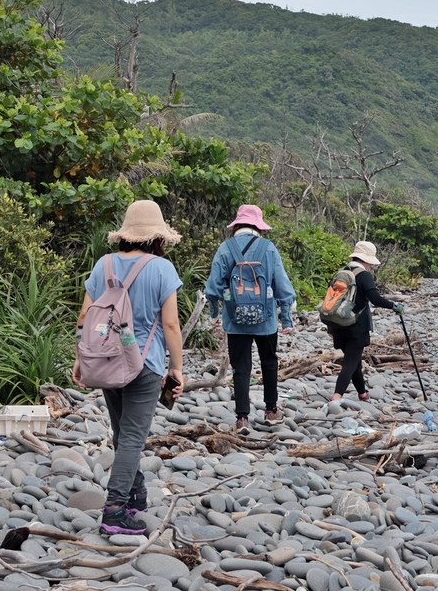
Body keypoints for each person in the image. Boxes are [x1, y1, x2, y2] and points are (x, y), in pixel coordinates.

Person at [72, 200, 185, 536]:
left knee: (122, 434)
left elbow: (84, 317)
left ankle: (136, 495)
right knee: (133, 437)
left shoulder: (103, 265)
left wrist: (80, 358)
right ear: (157, 237)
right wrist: (177, 368)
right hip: (144, 364)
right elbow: (171, 325)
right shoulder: (162, 269)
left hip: (106, 359)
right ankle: (116, 510)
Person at [205, 205, 296, 433]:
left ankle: (242, 418)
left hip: (235, 320)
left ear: (236, 225)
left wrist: (215, 315)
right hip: (266, 320)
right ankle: (271, 411)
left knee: (241, 368)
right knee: (269, 362)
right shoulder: (268, 248)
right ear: (258, 226)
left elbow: (213, 287)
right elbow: (282, 284)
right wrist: (286, 319)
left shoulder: (226, 248)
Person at [328, 241, 404, 402]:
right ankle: (337, 396)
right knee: (350, 362)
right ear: (366, 260)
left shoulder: (341, 273)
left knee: (354, 360)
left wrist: (330, 328)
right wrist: (394, 306)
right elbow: (375, 299)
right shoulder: (364, 275)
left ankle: (362, 393)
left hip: (338, 324)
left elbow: (331, 301)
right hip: (357, 326)